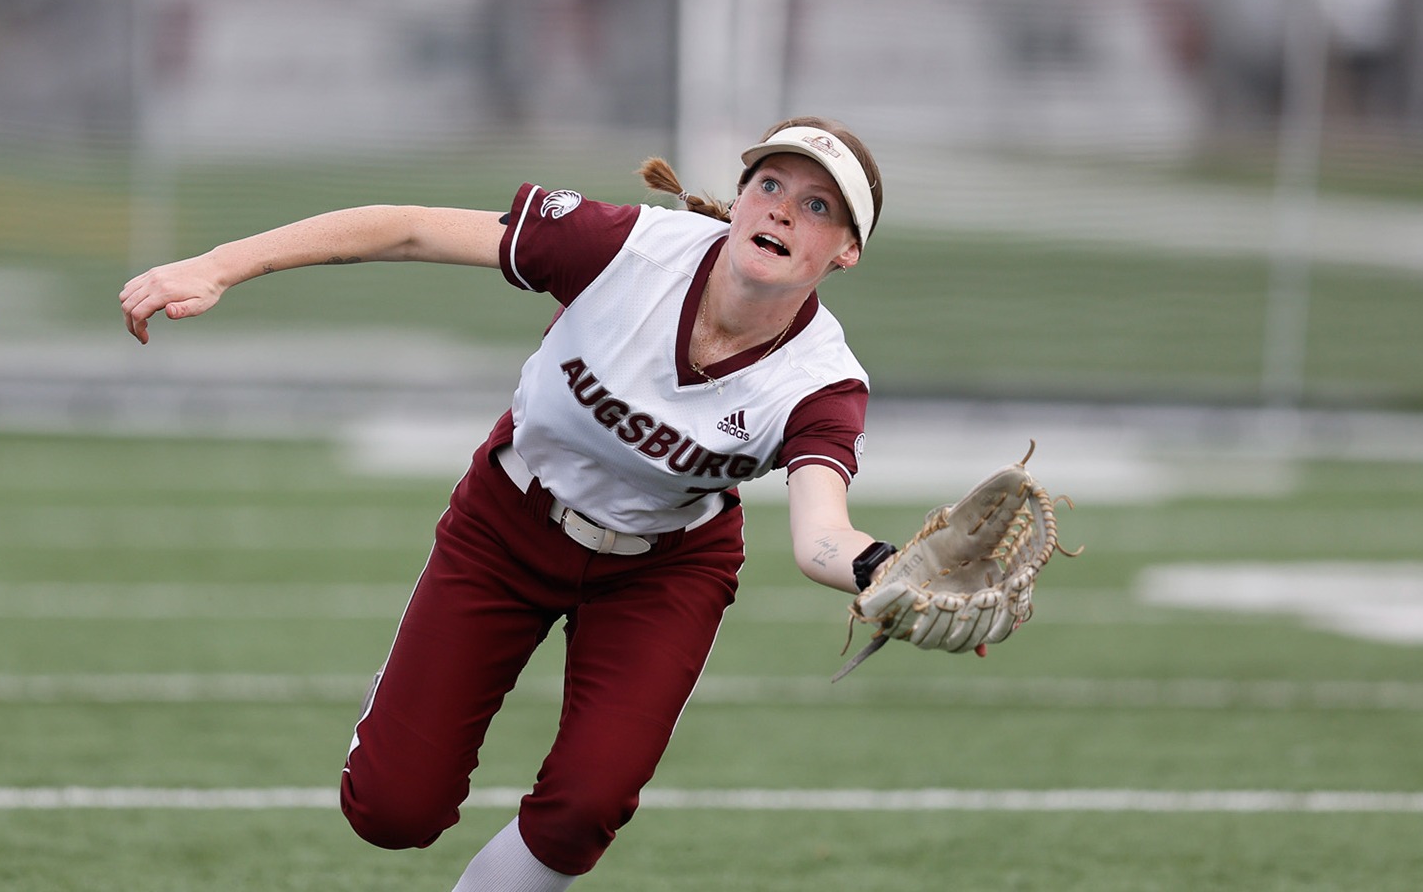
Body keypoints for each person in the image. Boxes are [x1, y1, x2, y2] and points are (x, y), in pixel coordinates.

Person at [119, 116, 899, 890]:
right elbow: (410, 232)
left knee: (584, 809)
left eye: (820, 206)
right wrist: (221, 265)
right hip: (510, 519)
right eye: (770, 185)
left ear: (848, 253)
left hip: (663, 569)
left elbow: (818, 533)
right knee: (391, 812)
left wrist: (884, 569)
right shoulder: (625, 248)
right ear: (737, 200)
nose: (785, 210)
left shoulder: (821, 380)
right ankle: (406, 693)